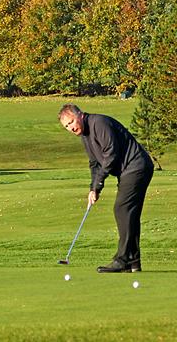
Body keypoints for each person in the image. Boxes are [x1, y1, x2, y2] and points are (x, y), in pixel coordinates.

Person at [58, 103, 155, 273]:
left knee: (122, 209)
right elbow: (95, 163)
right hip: (129, 171)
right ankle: (133, 262)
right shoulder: (85, 136)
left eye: (71, 122)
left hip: (136, 166)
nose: (71, 128)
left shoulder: (99, 123)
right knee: (128, 214)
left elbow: (110, 154)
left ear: (80, 115)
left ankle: (122, 260)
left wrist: (99, 183)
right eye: (66, 126)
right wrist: (93, 188)